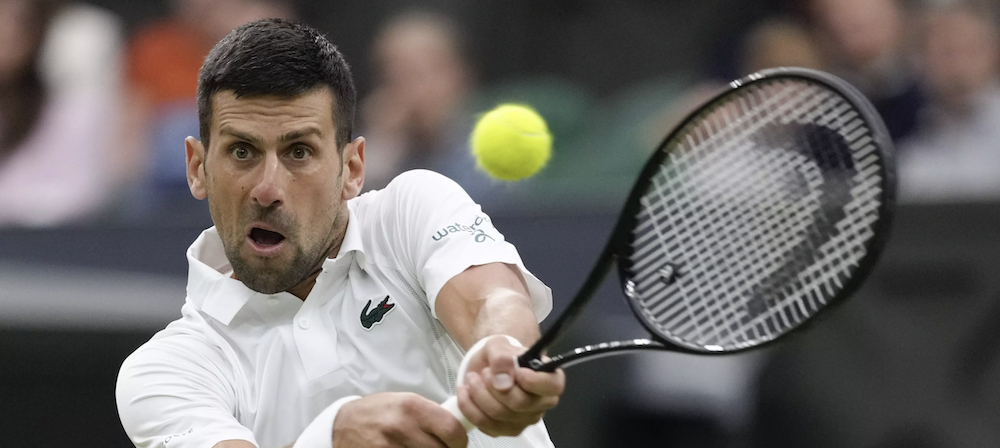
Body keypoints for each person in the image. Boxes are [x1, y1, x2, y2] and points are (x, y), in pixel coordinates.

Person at [115, 18, 565, 448]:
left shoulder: (410, 211)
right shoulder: (168, 370)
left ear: (351, 170)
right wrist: (329, 440)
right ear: (197, 168)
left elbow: (492, 300)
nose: (267, 189)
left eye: (299, 151)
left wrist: (504, 348)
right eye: (242, 150)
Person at [896, 0, 1000, 202]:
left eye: (971, 51)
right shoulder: (909, 156)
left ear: (994, 54)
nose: (959, 65)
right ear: (920, 61)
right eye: (946, 52)